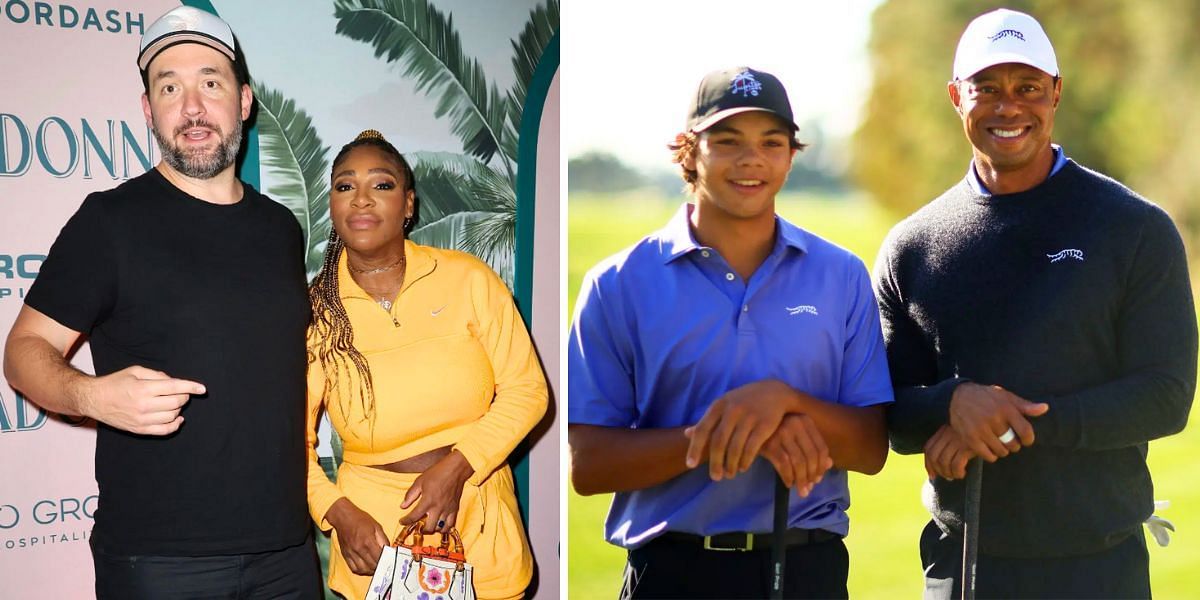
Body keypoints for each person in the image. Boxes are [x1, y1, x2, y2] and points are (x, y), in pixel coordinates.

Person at [874, 8, 1197, 599]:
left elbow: (1165, 397)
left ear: (1056, 93)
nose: (1008, 107)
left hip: (1099, 565)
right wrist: (953, 402)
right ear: (955, 97)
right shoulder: (911, 247)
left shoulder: (1134, 229)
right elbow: (889, 412)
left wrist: (1000, 427)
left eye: (1027, 88)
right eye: (987, 89)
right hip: (961, 563)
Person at [1, 6, 320, 598]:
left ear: (244, 101)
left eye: (210, 82)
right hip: (159, 561)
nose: (192, 107)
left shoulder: (280, 227)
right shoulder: (108, 222)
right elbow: (23, 351)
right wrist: (89, 395)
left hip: (286, 555)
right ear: (148, 110)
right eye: (169, 87)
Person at [568, 67, 893, 599]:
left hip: (808, 568)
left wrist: (783, 402)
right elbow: (589, 464)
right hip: (672, 573)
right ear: (689, 151)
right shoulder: (618, 283)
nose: (752, 160)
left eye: (772, 142)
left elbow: (870, 447)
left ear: (791, 155)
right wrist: (734, 434)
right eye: (727, 141)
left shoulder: (842, 275)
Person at [304, 130, 547, 600]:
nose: (362, 200)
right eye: (345, 186)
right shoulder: (315, 313)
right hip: (375, 547)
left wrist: (458, 468)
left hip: (480, 532)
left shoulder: (467, 279)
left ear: (409, 204)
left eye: (382, 185)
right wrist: (337, 511)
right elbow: (289, 441)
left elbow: (528, 390)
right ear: (331, 206)